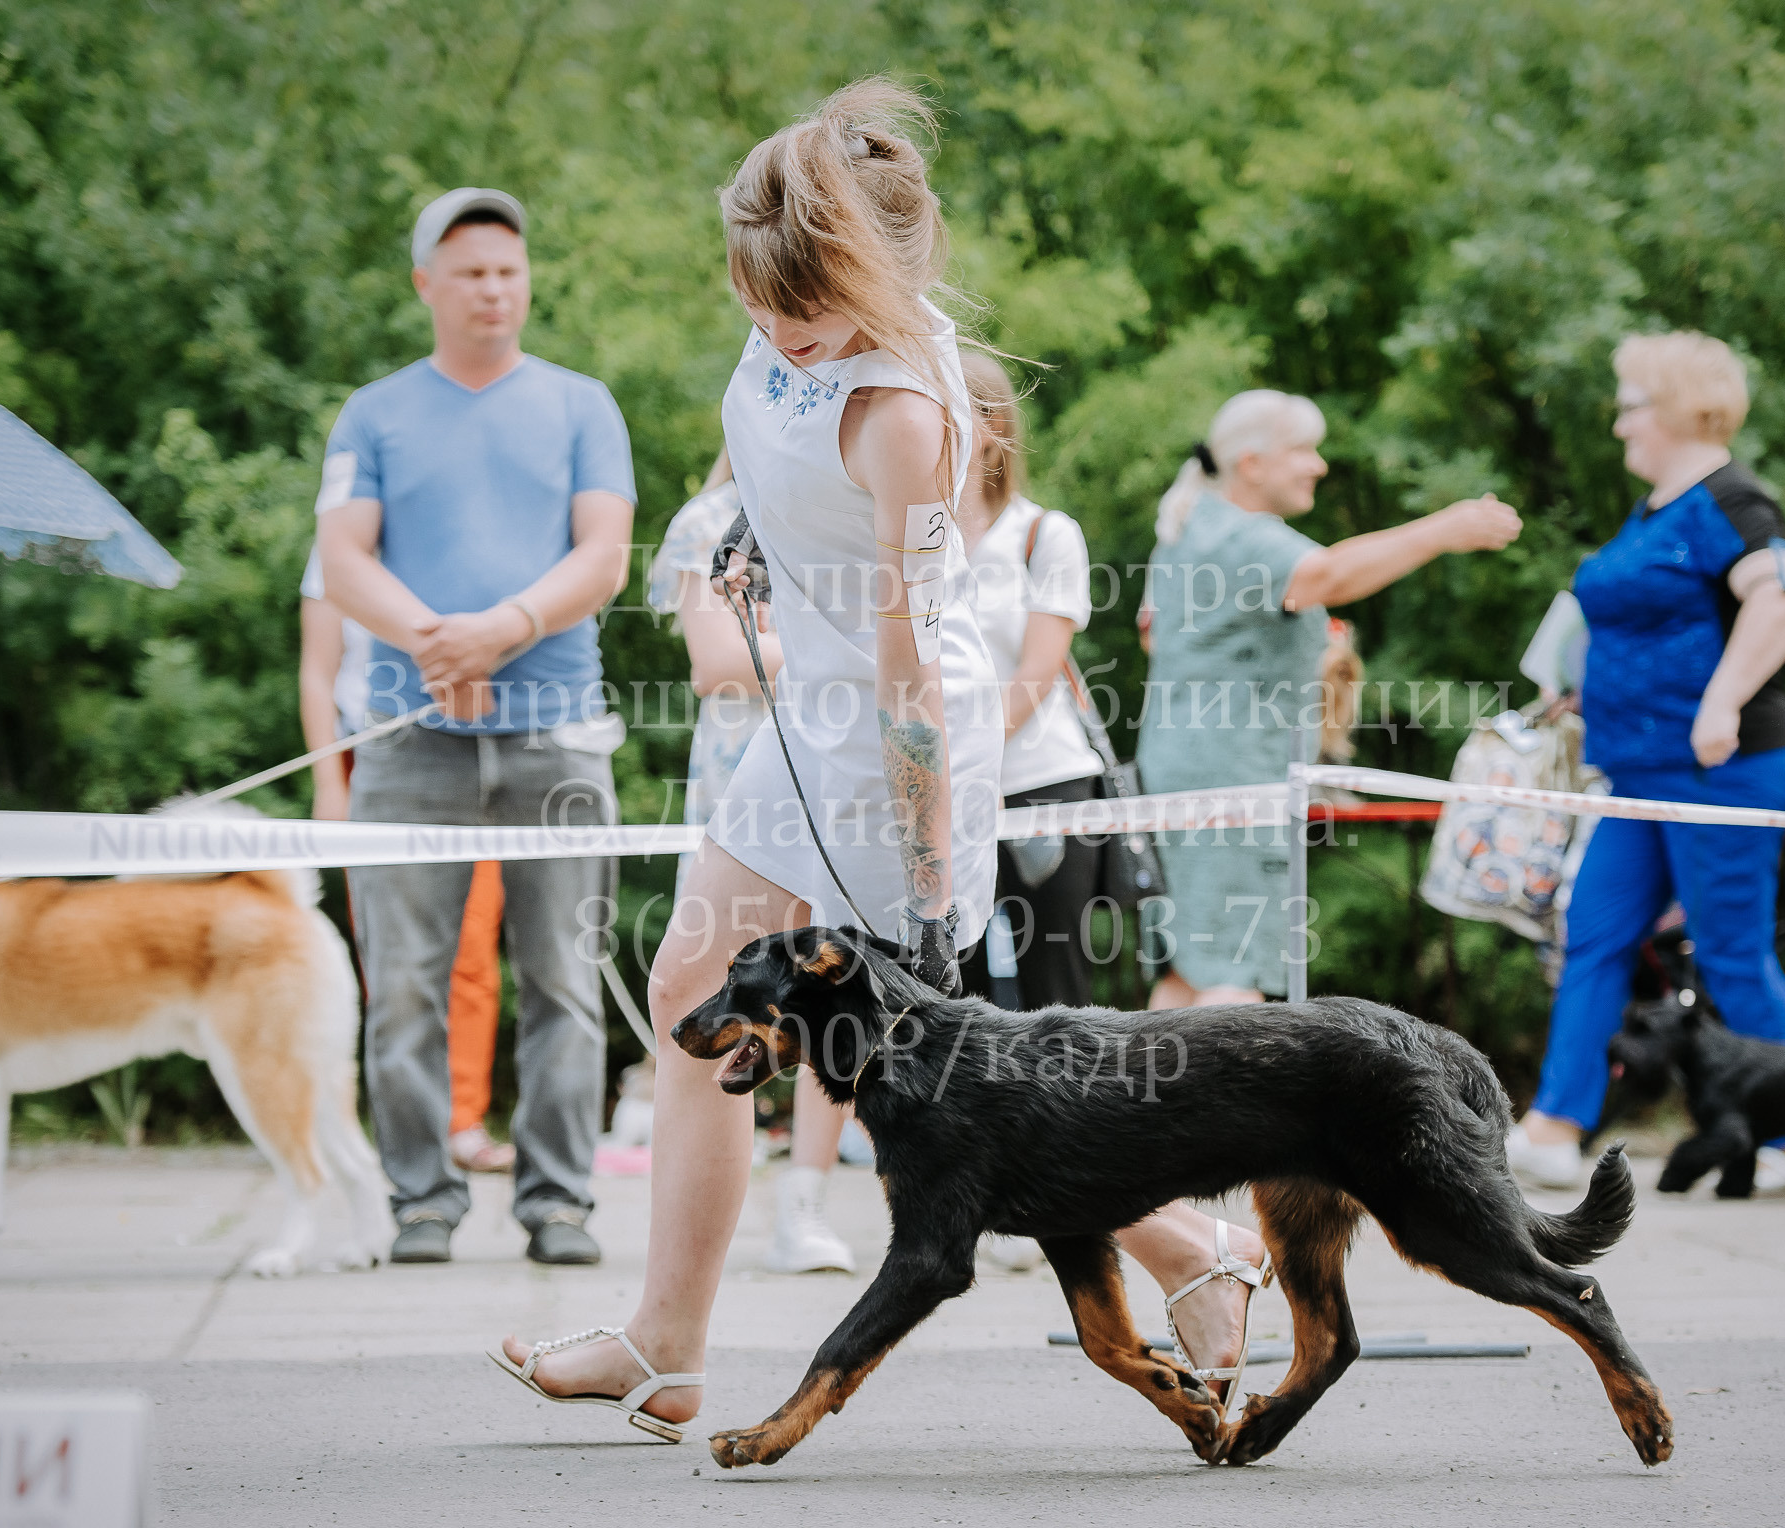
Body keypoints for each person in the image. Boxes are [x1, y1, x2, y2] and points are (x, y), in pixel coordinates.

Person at [498, 83, 1288, 1435]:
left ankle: (1189, 1251)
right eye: (752, 306)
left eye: (794, 317)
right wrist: (750, 532)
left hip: (890, 753)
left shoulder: (908, 416)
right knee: (692, 989)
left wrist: (929, 883)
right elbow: (772, 456)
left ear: (869, 279)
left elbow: (915, 674)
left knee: (906, 1083)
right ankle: (666, 1343)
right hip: (802, 717)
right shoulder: (787, 323)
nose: (770, 334)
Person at [314, 186, 635, 1266]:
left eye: (508, 269)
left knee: (561, 978)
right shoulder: (373, 413)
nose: (494, 289)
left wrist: (499, 631)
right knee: (401, 979)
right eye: (469, 273)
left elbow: (603, 555)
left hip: (557, 731)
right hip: (408, 738)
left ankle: (557, 1199)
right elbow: (344, 557)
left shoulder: (583, 403)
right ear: (427, 287)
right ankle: (422, 1197)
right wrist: (429, 641)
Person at [1507, 331, 1785, 1192]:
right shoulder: (1655, 508)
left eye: (1631, 406)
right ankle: (1551, 1127)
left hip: (1723, 767)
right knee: (1594, 934)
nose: (1619, 427)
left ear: (1682, 410)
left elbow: (1780, 596)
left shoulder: (1732, 498)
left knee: (1730, 950)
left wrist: (1721, 701)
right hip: (1637, 771)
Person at [1140, 390, 1525, 1008]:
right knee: (1234, 980)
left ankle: (1148, 1106)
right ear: (1252, 464)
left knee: (1187, 973)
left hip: (1176, 769)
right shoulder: (1244, 536)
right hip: (1234, 783)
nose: (1319, 465)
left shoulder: (1188, 529)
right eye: (1302, 450)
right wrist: (1443, 529)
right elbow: (1327, 576)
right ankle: (1232, 1108)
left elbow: (1154, 634)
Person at [652, 454, 855, 1274]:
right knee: (708, 990)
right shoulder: (708, 524)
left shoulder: (846, 509)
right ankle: (696, 1230)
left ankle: (804, 1204)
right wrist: (844, 647)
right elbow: (717, 665)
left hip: (841, 771)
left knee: (830, 991)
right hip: (746, 780)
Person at [300, 553, 513, 1174]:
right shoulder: (335, 550)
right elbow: (318, 673)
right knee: (393, 960)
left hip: (468, 752)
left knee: (473, 949)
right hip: (367, 760)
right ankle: (399, 1131)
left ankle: (462, 1122)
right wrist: (327, 786)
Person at [952, 349, 1106, 1010]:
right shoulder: (906, 539)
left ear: (990, 426)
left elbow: (1038, 670)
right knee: (958, 990)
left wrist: (973, 761)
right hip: (948, 790)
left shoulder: (1044, 534)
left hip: (1043, 782)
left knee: (1056, 990)